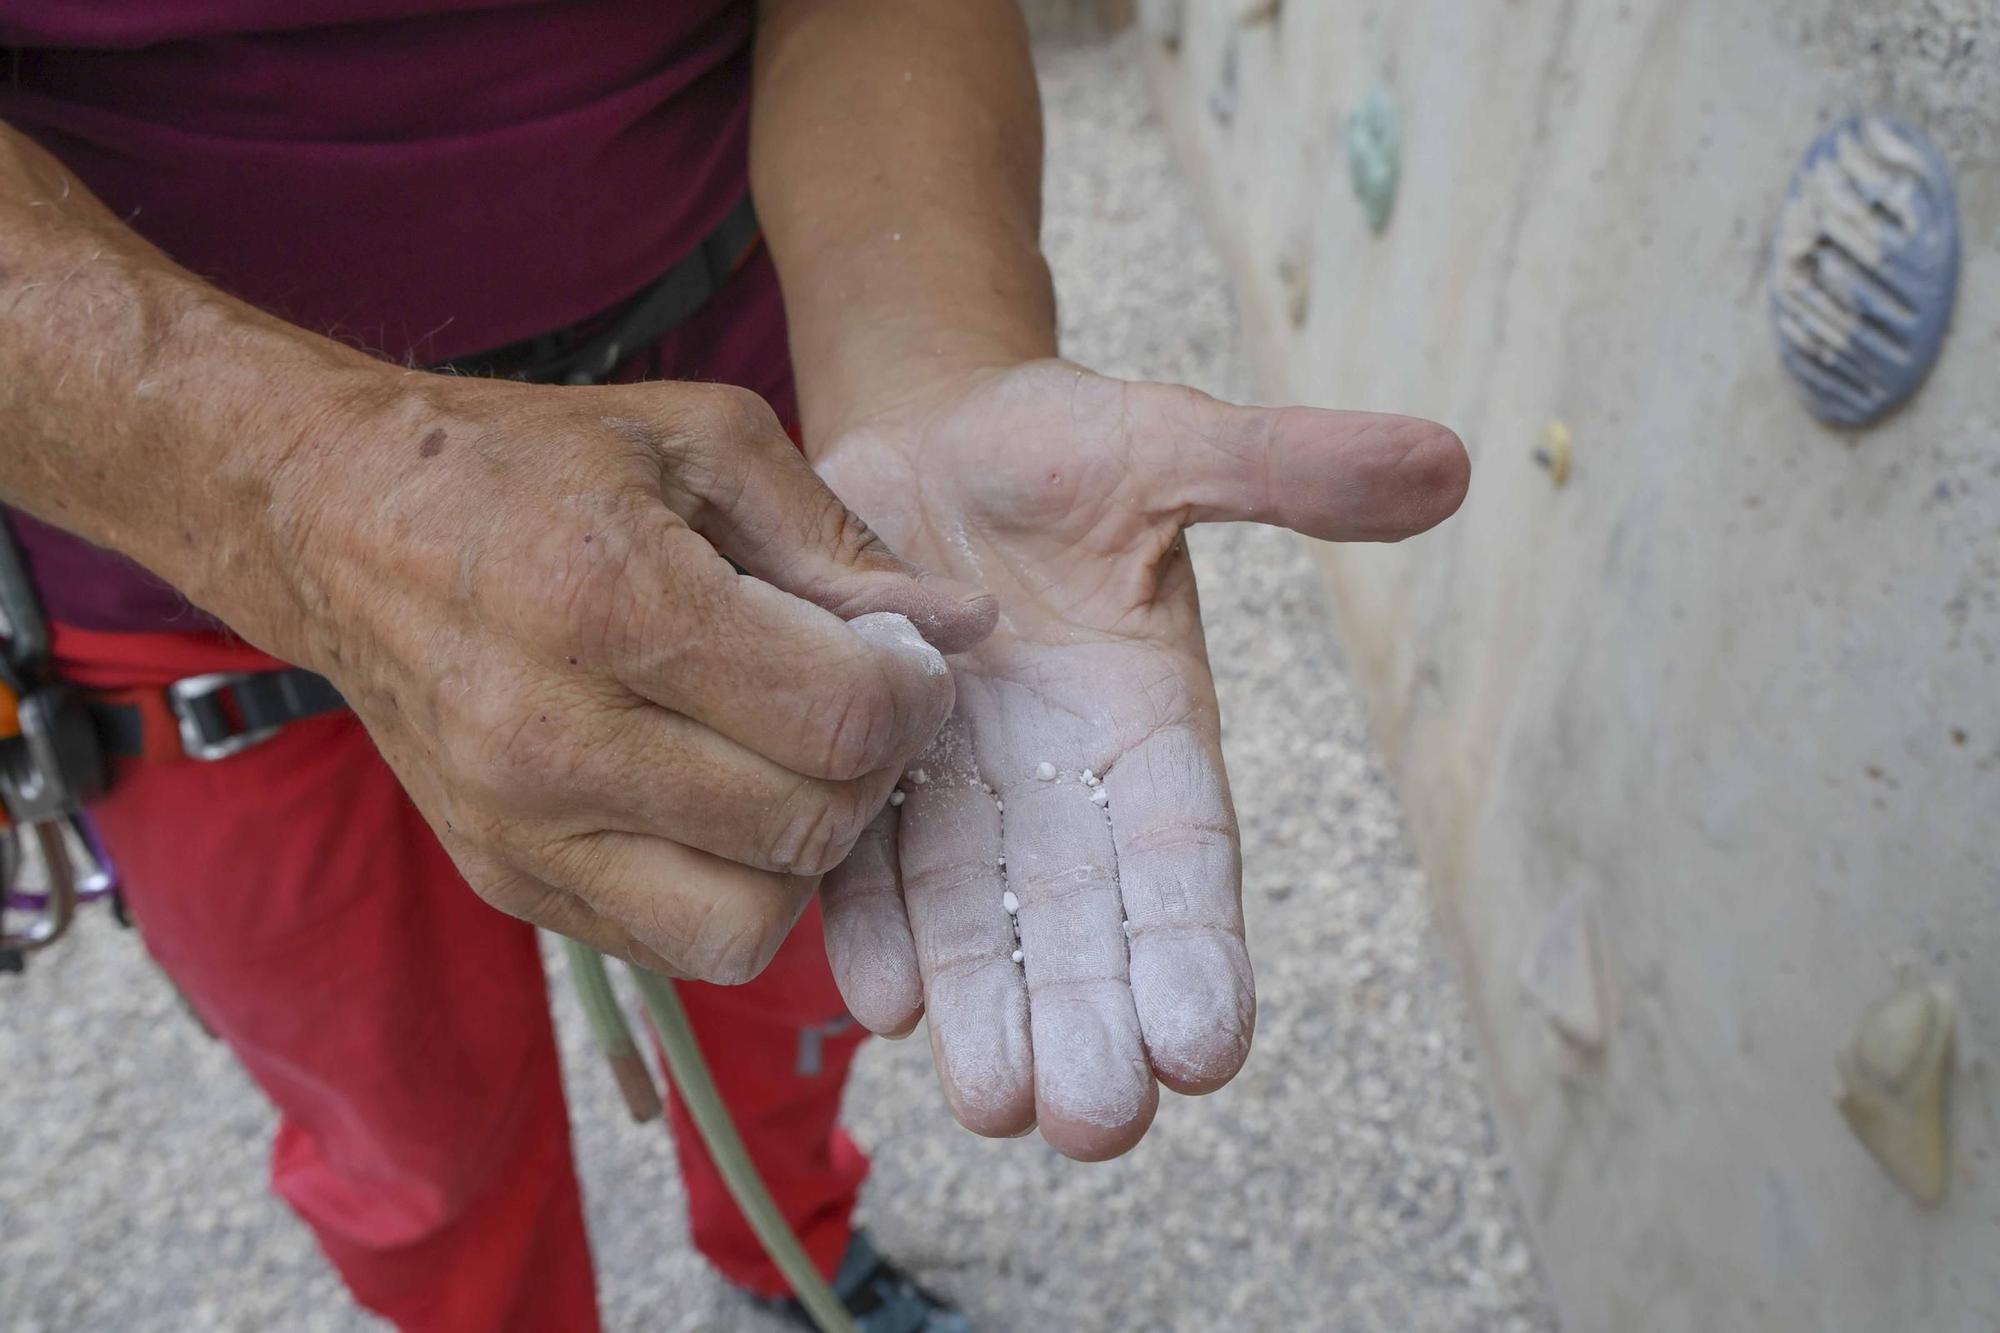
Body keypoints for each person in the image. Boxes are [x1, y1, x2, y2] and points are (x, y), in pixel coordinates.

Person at [0, 2, 1469, 1329]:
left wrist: (930, 356)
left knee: (792, 978)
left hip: (766, 474)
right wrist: (301, 496)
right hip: (176, 568)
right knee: (407, 1124)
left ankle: (790, 1251)